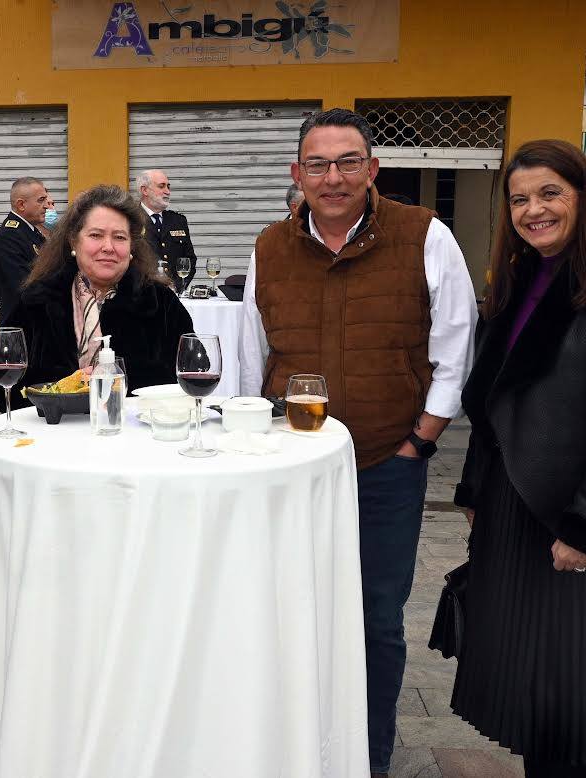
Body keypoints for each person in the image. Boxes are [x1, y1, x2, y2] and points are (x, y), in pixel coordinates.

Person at [239, 107, 478, 776]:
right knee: (286, 615)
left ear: (372, 169)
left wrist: (420, 440)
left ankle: (366, 759)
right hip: (290, 468)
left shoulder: (424, 235)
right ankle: (294, 747)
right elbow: (253, 353)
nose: (333, 177)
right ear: (297, 174)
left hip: (384, 466)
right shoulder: (268, 246)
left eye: (348, 162)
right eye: (317, 164)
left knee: (373, 620)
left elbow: (453, 346)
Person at [452, 140, 586, 777]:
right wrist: (473, 492)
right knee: (524, 685)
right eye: (519, 199)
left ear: (584, 197)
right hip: (510, 505)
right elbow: (495, 399)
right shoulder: (522, 280)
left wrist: (585, 527)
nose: (533, 210)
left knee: (565, 697)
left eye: (549, 193)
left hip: (572, 516)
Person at [0, 184, 193, 411]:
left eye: (120, 237)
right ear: (74, 241)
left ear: (132, 246)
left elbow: (190, 374)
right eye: (96, 235)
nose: (108, 247)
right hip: (55, 436)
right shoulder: (37, 300)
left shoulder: (161, 302)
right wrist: (64, 392)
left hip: (137, 435)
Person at [0, 176, 50, 322]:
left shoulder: (30, 231)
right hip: (22, 327)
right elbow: (22, 287)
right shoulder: (10, 236)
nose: (47, 205)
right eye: (40, 200)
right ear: (21, 205)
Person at [137, 168, 198, 292]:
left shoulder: (178, 221)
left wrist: (177, 287)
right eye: (161, 186)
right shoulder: (130, 219)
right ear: (145, 190)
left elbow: (190, 259)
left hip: (173, 296)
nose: (167, 191)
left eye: (168, 187)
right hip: (141, 296)